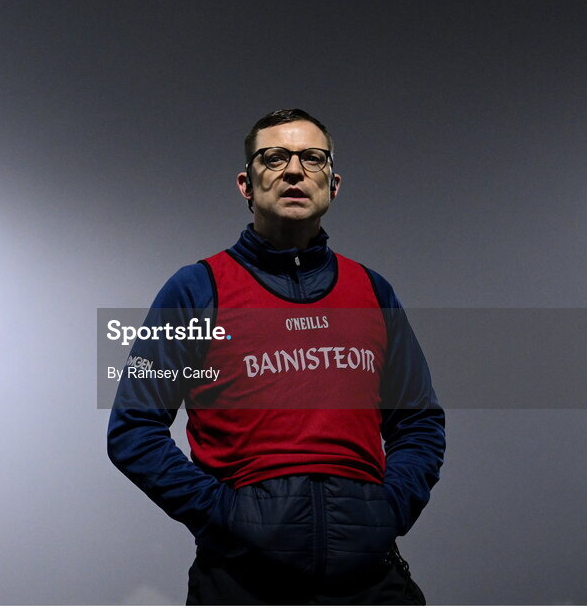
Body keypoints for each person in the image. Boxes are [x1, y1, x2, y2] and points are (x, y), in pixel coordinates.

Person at [107, 109, 445, 605]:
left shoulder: (373, 291)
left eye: (312, 158)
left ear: (334, 184)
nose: (293, 170)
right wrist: (226, 517)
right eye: (274, 157)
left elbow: (419, 422)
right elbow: (133, 428)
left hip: (370, 582)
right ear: (246, 183)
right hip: (243, 584)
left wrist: (388, 510)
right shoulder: (196, 288)